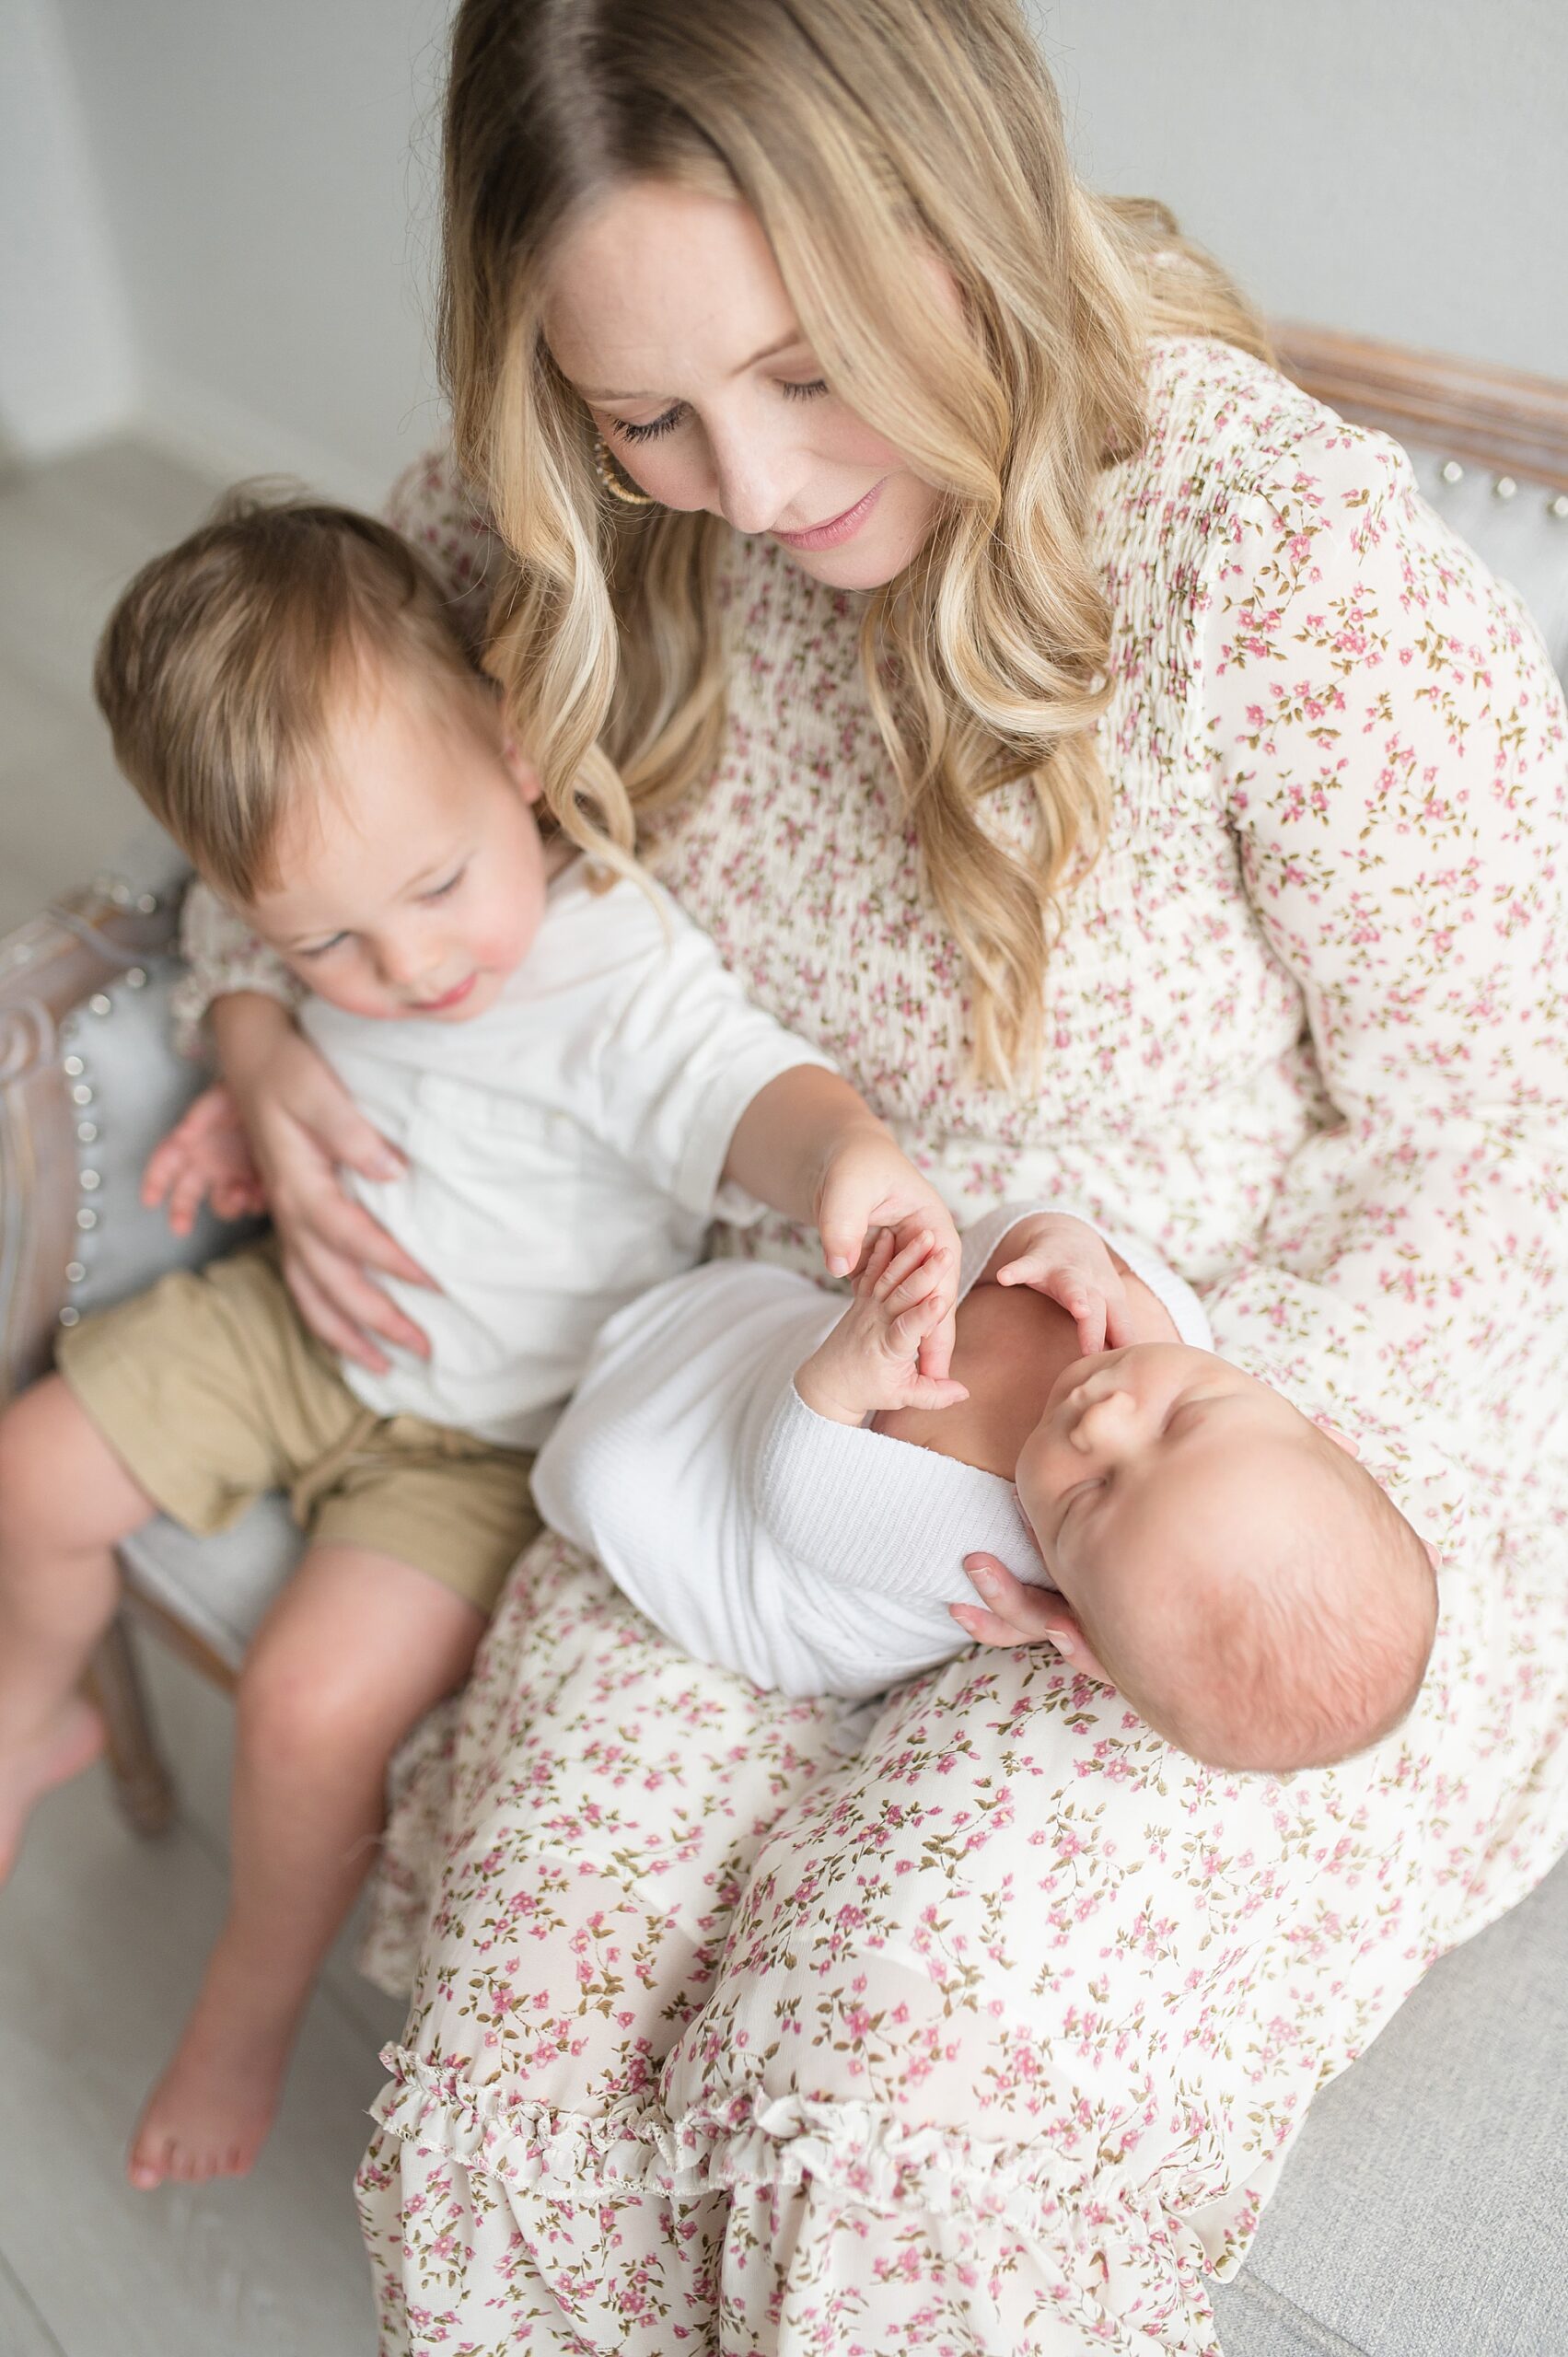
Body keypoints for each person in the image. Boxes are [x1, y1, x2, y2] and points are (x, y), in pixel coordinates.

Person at [175, 0, 1567, 2344]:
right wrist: (246, 1005)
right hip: (739, 1374)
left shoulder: (1270, 562)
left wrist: (1166, 1437)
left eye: (805, 364)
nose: (744, 479)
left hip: (1242, 1393)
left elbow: (1501, 1144)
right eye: (647, 410)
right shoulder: (570, 523)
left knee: (893, 2034)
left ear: (960, 209)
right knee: (551, 1984)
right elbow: (297, 791)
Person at [0, 490, 962, 2193]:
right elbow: (248, 949)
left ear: (516, 750)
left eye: (436, 886)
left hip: (483, 1447)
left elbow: (746, 1087)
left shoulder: (606, 968)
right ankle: (31, 1709)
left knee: (307, 1709)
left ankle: (248, 1998)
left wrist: (846, 1161)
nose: (409, 962)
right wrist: (254, 1042)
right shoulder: (304, 933)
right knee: (30, 1467)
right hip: (296, 1330)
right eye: (329, 943)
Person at [532, 1207, 1438, 1770]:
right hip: (746, 1344)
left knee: (606, 1475)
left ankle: (548, 1438)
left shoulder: (980, 1541)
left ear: (1073, 1619)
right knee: (734, 1313)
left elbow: (793, 1496)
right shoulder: (1161, 1325)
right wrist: (1056, 1240)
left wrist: (848, 1377)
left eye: (1090, 1496)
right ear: (1302, 1416)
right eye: (1182, 1420)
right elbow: (997, 1244)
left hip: (752, 1549)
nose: (1101, 1422)